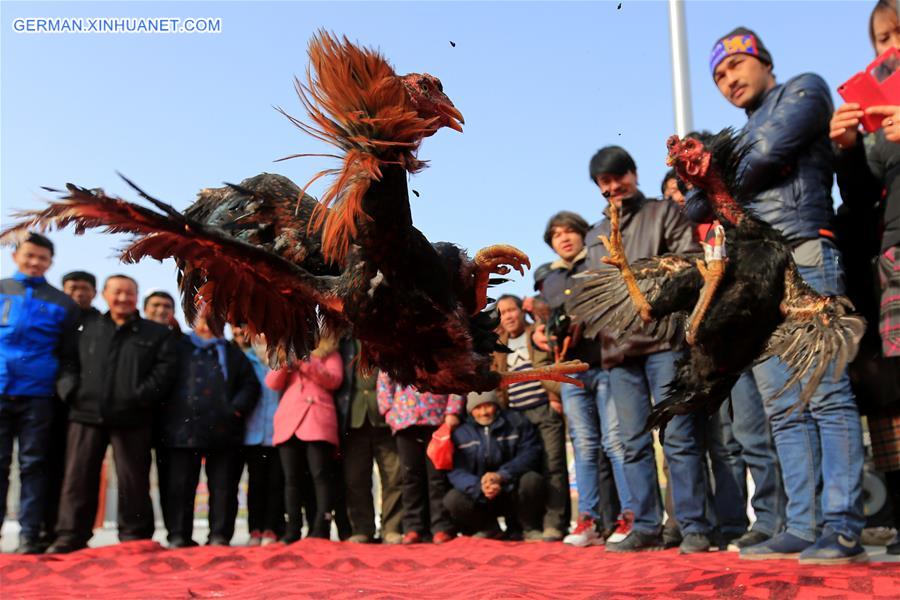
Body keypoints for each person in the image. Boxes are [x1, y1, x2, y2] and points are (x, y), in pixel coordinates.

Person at [709, 26, 867, 564]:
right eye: (718, 76)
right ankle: (803, 523)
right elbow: (694, 205)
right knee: (782, 407)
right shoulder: (742, 134)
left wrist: (720, 175)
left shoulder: (805, 89)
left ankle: (843, 523)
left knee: (825, 392)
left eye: (734, 66)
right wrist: (721, 178)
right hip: (754, 273)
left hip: (804, 254)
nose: (728, 79)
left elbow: (771, 150)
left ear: (763, 62)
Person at [584, 146, 710, 554]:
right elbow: (592, 291)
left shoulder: (664, 212)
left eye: (619, 176)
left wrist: (646, 296)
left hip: (663, 341)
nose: (613, 186)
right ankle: (646, 526)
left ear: (634, 174)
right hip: (617, 350)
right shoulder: (593, 235)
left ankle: (692, 526)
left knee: (678, 435)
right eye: (605, 182)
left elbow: (689, 262)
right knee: (633, 441)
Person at [830, 0, 900, 556]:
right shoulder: (874, 110)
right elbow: (858, 197)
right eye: (881, 38)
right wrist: (849, 152)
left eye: (898, 33)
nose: (890, 47)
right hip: (879, 261)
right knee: (886, 392)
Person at [47, 274, 178, 553]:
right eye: (116, 292)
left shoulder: (156, 333)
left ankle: (136, 536)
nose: (123, 298)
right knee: (78, 477)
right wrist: (71, 392)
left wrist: (139, 396)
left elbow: (164, 373)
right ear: (104, 294)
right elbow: (66, 363)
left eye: (129, 293)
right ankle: (70, 535)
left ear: (137, 296)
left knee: (134, 479)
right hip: (84, 414)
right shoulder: (85, 327)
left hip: (134, 417)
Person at [535, 211, 626, 547]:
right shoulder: (550, 279)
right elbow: (545, 325)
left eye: (570, 231)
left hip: (605, 363)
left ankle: (628, 517)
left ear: (581, 234)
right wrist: (538, 336)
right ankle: (586, 520)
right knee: (585, 448)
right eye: (556, 234)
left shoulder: (600, 262)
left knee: (615, 443)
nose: (564, 238)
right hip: (572, 374)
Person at [0, 233, 78, 554]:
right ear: (16, 255)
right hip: (1, 389)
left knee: (34, 465)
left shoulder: (62, 302)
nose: (35, 263)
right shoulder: (2, 290)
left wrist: (63, 390)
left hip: (39, 396)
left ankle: (29, 535)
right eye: (29, 256)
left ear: (50, 263)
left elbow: (69, 354)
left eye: (42, 259)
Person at [158, 314, 259, 547]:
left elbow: (250, 385)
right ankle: (179, 536)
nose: (207, 326)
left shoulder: (233, 353)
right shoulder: (178, 348)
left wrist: (235, 409)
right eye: (202, 320)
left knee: (223, 487)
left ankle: (220, 535)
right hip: (181, 431)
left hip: (224, 432)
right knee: (180, 487)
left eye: (213, 321)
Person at [492, 294, 569, 542]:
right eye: (502, 313)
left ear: (521, 311)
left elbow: (554, 357)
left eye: (512, 310)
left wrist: (555, 396)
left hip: (544, 409)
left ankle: (555, 522)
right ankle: (522, 524)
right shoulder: (497, 344)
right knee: (522, 472)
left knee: (553, 466)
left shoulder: (536, 333)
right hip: (515, 416)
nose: (509, 316)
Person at [268, 336, 343, 542]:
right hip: (288, 422)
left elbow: (334, 379)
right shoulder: (286, 351)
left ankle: (321, 527)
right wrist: (285, 361)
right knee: (291, 479)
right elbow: (272, 383)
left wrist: (305, 361)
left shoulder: (330, 353)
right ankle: (292, 530)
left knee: (320, 475)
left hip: (317, 419)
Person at [443, 391, 545, 539]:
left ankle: (527, 528)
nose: (484, 413)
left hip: (511, 488)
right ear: (470, 411)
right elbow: (456, 471)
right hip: (481, 495)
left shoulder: (516, 422)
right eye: (478, 408)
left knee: (532, 481)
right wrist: (480, 486)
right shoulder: (461, 433)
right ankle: (489, 528)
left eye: (487, 406)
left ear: (496, 406)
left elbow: (530, 453)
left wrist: (501, 476)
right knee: (453, 499)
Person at [377, 372, 463, 544]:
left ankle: (440, 526)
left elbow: (456, 376)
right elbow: (385, 378)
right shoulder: (395, 349)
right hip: (404, 418)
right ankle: (413, 527)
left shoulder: (442, 347)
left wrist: (453, 410)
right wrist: (388, 410)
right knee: (410, 476)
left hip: (437, 418)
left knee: (437, 476)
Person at [335, 337, 403, 544]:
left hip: (387, 417)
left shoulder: (387, 337)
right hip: (353, 419)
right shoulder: (341, 340)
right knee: (355, 479)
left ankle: (391, 527)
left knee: (394, 475)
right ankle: (362, 528)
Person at [233, 325, 285, 546]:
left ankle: (273, 528)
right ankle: (255, 528)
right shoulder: (244, 359)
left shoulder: (284, 358)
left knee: (276, 483)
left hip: (280, 432)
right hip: (252, 432)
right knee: (255, 483)